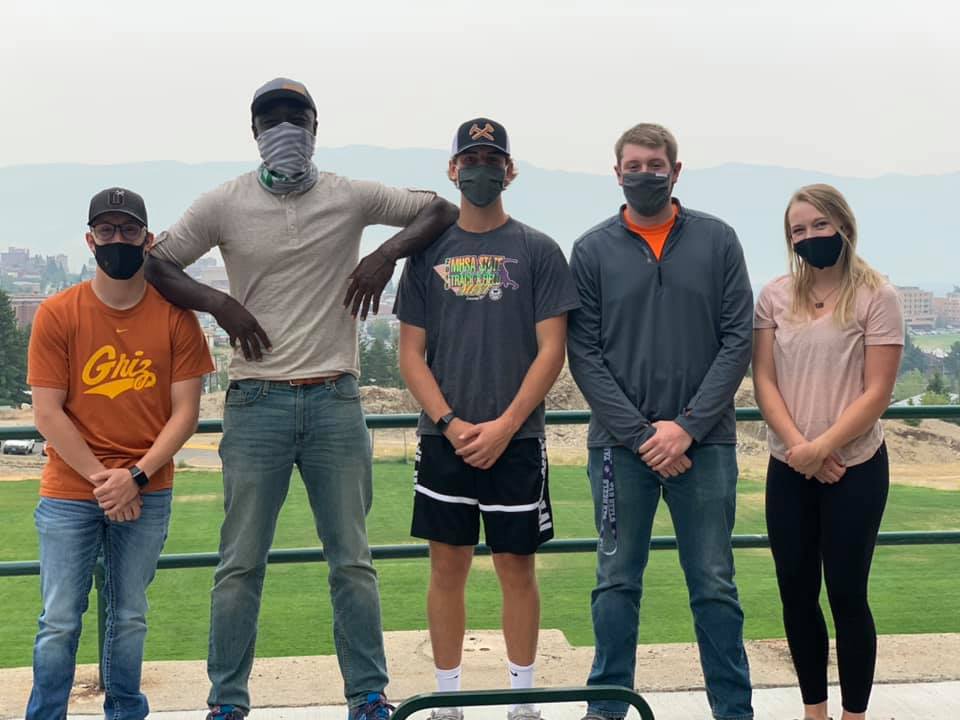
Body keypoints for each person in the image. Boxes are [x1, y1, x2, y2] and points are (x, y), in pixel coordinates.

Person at [143, 77, 458, 720]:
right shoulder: (223, 203)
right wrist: (219, 303)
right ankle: (227, 701)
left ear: (316, 128)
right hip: (255, 401)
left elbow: (439, 210)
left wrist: (384, 255)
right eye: (272, 119)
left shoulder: (349, 195)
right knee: (239, 565)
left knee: (352, 563)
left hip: (335, 399)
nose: (284, 129)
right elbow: (159, 263)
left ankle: (367, 695)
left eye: (297, 117)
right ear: (254, 132)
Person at [567, 123, 755, 720]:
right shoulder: (591, 250)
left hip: (707, 444)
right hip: (619, 450)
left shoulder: (718, 240)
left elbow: (738, 339)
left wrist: (687, 427)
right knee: (616, 582)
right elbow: (584, 355)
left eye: (655, 165)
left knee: (714, 584)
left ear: (676, 171)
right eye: (634, 165)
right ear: (616, 172)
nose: (644, 174)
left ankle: (733, 711)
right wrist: (643, 435)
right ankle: (607, 708)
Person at [394, 118, 580, 720]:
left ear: (510, 170)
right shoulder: (427, 254)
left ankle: (521, 700)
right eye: (470, 160)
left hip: (517, 439)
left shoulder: (538, 249)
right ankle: (448, 700)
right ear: (452, 170)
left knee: (516, 566)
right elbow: (410, 353)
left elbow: (552, 349)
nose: (481, 170)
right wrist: (449, 422)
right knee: (446, 567)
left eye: (492, 160)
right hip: (443, 437)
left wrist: (505, 425)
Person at [25, 187, 214, 720]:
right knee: (59, 618)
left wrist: (136, 476)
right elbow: (47, 413)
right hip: (70, 490)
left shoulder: (176, 319)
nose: (117, 240)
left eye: (129, 230)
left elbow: (185, 413)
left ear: (147, 240)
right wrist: (106, 481)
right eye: (106, 230)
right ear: (90, 241)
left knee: (129, 616)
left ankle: (127, 711)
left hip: (147, 490)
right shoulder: (58, 313)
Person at [753, 184, 904, 720]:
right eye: (798, 230)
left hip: (854, 467)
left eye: (820, 225)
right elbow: (764, 379)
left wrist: (823, 447)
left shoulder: (878, 296)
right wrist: (801, 448)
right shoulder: (773, 296)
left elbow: (877, 391)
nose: (810, 236)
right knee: (796, 593)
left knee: (847, 594)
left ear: (843, 225)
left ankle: (853, 714)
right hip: (789, 466)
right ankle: (813, 711)